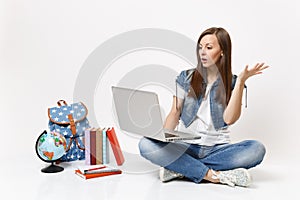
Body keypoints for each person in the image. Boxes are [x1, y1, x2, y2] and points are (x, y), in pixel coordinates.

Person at [138, 27, 269, 187]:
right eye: (200, 47)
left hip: (218, 150)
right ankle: (214, 175)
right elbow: (175, 111)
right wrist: (163, 139)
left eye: (209, 47)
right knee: (145, 144)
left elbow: (229, 119)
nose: (202, 52)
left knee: (256, 149)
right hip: (187, 146)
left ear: (222, 51)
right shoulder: (186, 77)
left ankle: (180, 168)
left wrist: (241, 81)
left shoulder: (233, 82)